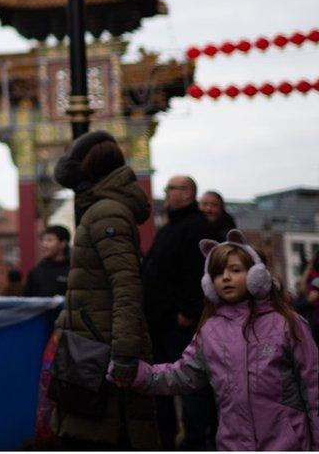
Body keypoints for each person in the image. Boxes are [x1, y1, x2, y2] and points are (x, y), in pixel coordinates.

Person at [111, 230, 319, 450]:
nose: (225, 277)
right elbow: (182, 375)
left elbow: (313, 385)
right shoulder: (210, 332)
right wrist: (137, 374)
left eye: (235, 270)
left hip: (287, 445)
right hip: (233, 445)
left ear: (257, 275)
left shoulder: (286, 324)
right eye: (218, 273)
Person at [52, 130, 159, 449]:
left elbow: (126, 284)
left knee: (104, 436)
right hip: (93, 345)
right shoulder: (102, 208)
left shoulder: (106, 212)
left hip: (100, 351)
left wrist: (125, 352)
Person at [141, 175, 217, 449]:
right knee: (160, 384)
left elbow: (197, 274)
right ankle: (168, 440)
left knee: (190, 385)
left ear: (187, 193)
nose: (167, 193)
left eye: (172, 188)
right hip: (160, 322)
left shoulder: (196, 227)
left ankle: (194, 443)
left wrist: (187, 313)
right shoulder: (169, 227)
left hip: (179, 323)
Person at [24, 225, 71, 297]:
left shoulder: (73, 271)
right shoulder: (36, 272)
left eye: (49, 240)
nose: (44, 244)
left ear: (63, 243)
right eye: (43, 240)